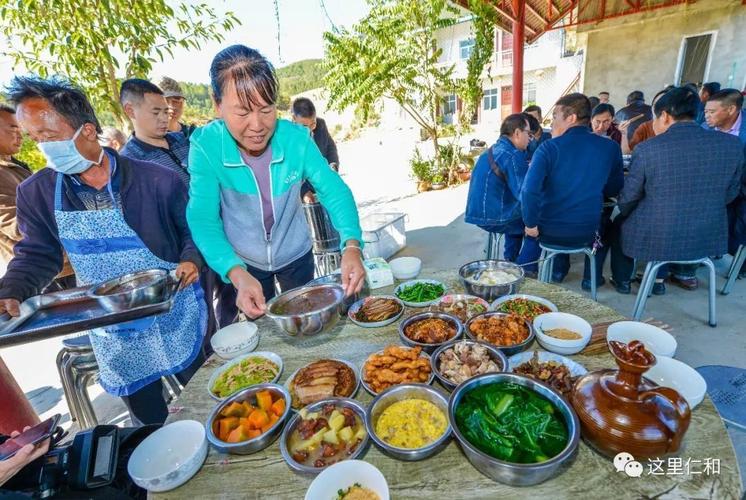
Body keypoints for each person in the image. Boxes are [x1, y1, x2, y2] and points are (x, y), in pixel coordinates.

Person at [0, 76, 209, 425]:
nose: (43, 150)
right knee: (150, 421)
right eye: (35, 140)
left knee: (204, 399)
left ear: (86, 130)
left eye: (49, 138)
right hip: (115, 327)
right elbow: (37, 254)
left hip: (172, 308)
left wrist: (190, 259)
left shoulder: (156, 179)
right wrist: (13, 290)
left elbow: (190, 231)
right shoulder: (37, 193)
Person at [187, 45, 365, 318]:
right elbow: (203, 218)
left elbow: (334, 191)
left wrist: (351, 245)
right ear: (217, 104)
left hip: (295, 255)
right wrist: (235, 272)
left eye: (266, 108)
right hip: (242, 262)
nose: (257, 125)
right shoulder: (206, 146)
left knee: (308, 321)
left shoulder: (296, 139)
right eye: (243, 112)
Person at [609, 87, 743, 294]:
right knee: (660, 217)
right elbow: (732, 192)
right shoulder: (732, 145)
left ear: (665, 116)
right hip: (706, 235)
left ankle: (622, 281)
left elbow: (629, 199)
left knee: (620, 221)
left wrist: (625, 209)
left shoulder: (649, 149)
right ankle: (657, 281)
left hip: (660, 234)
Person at [521, 93, 624, 285]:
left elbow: (528, 191)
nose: (551, 123)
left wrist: (531, 224)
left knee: (529, 233)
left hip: (549, 231)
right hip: (588, 231)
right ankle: (590, 281)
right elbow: (614, 188)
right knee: (608, 227)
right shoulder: (610, 148)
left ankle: (532, 278)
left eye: (555, 117)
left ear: (571, 118)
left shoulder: (548, 148)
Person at [465, 113, 540, 275]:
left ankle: (510, 261)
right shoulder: (513, 155)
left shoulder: (493, 149)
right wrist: (532, 223)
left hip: (478, 212)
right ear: (517, 133)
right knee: (539, 220)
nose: (530, 139)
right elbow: (525, 194)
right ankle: (525, 271)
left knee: (521, 217)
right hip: (495, 216)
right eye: (529, 134)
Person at [703, 88, 746, 278]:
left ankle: (740, 265)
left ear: (731, 110)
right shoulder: (705, 128)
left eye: (712, 112)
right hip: (717, 189)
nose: (706, 116)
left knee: (741, 228)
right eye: (705, 111)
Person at [119, 79, 191, 186]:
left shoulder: (183, 139)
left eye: (166, 112)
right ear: (130, 110)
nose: (164, 118)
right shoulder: (128, 162)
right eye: (156, 112)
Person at [0, 104, 32, 275]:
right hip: (36, 271)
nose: (20, 134)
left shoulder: (16, 167)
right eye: (13, 128)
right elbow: (18, 226)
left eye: (20, 128)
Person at [291, 97, 340, 203]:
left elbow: (330, 149)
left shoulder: (321, 124)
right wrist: (303, 191)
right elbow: (289, 170)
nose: (309, 130)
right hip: (300, 190)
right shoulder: (287, 138)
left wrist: (333, 166)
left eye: (313, 124)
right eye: (304, 126)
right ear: (294, 119)